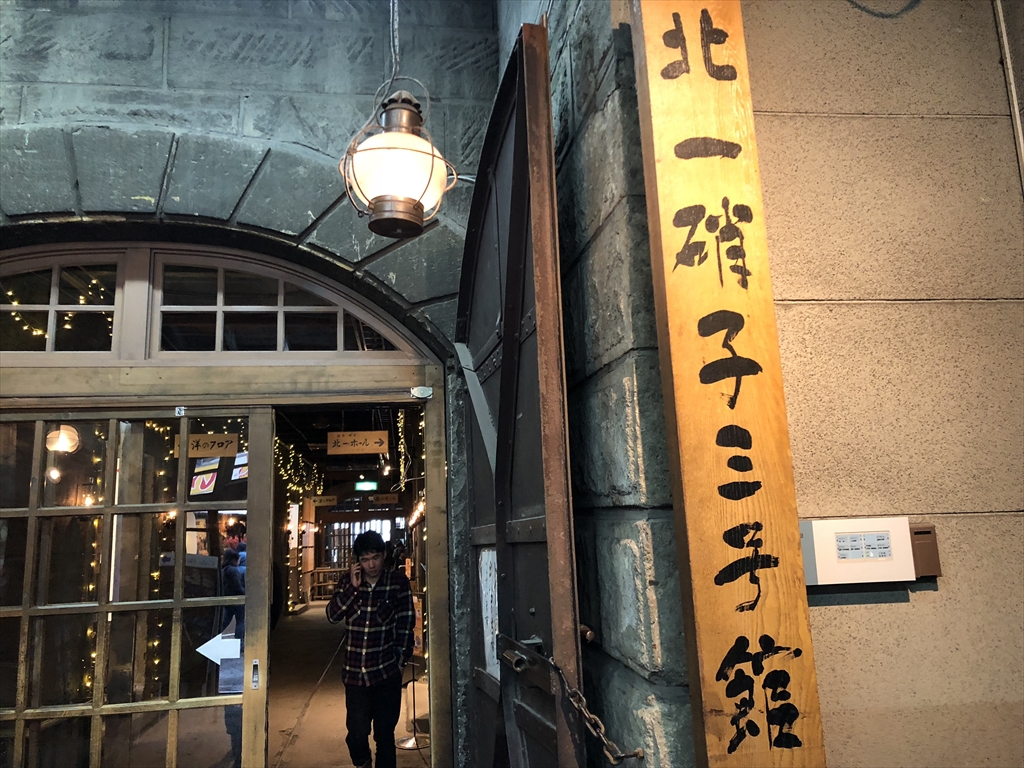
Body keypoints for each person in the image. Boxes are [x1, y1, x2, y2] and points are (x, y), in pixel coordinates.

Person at [327, 531, 414, 768]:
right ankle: (363, 763)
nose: (371, 565)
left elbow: (406, 624)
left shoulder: (397, 583)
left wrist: (399, 662)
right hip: (355, 674)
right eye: (365, 560)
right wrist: (353, 589)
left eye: (375, 557)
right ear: (358, 561)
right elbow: (332, 616)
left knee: (384, 736)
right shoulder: (348, 582)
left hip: (386, 673)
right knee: (356, 734)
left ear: (384, 555)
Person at [221, 548, 245, 644]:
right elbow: (237, 586)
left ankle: (214, 635)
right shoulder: (233, 571)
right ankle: (239, 642)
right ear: (234, 560)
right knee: (240, 621)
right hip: (237, 599)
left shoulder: (224, 569)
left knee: (225, 620)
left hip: (227, 598)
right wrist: (244, 593)